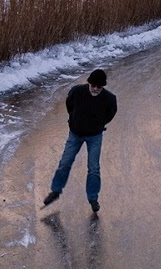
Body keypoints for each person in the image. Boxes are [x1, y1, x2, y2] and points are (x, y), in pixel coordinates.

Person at [42, 69, 117, 215]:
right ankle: (55, 191)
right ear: (89, 83)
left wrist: (100, 124)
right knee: (65, 163)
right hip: (75, 134)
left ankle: (93, 198)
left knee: (93, 168)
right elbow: (70, 105)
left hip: (95, 136)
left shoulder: (109, 99)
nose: (95, 89)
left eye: (99, 87)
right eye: (93, 85)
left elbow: (111, 113)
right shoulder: (77, 92)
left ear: (103, 87)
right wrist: (74, 120)